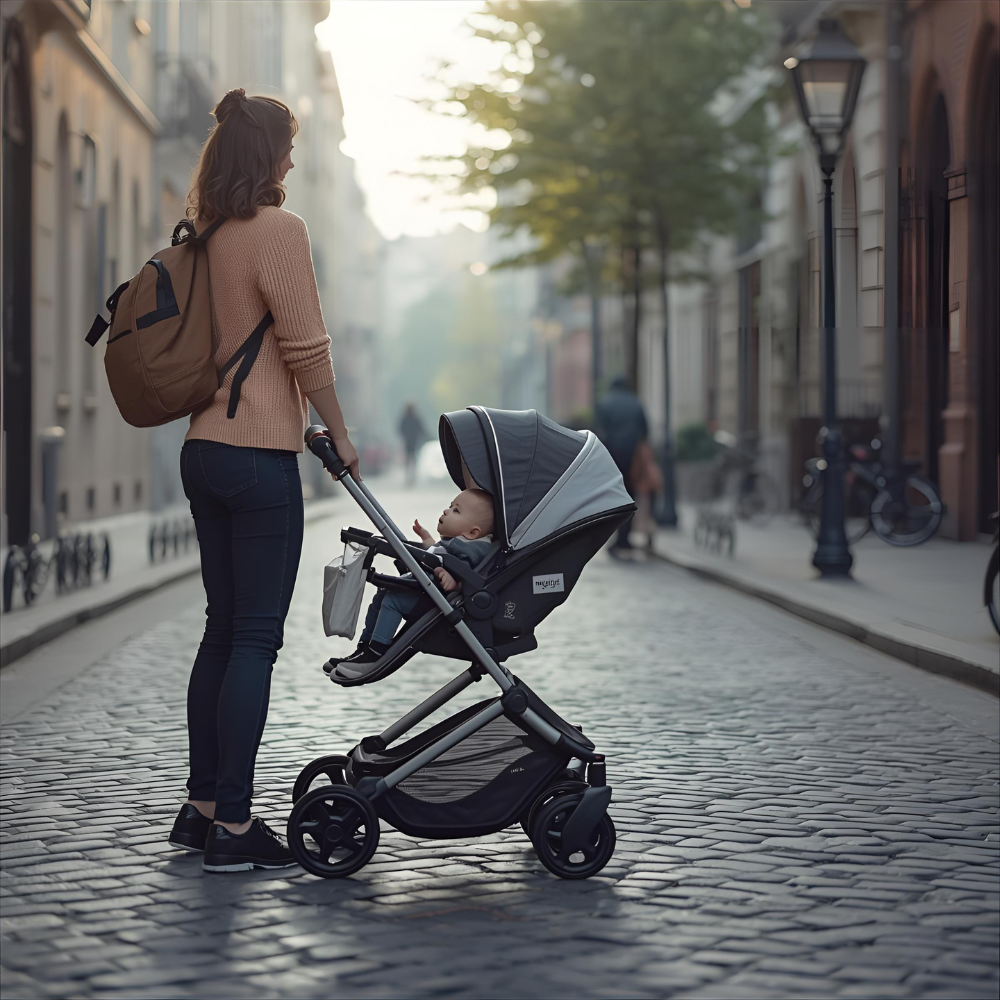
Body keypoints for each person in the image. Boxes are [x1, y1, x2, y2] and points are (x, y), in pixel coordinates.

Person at [166, 89, 360, 873]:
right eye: (285, 146)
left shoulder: (202, 238)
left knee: (220, 630)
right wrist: (341, 433)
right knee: (253, 638)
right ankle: (236, 827)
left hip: (202, 452)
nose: (290, 159)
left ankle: (202, 805)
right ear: (265, 155)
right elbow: (306, 347)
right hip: (255, 461)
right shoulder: (277, 231)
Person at [331, 489, 494, 681]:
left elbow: (465, 573)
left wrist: (455, 581)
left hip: (432, 601)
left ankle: (375, 650)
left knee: (392, 601)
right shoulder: (459, 542)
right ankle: (364, 648)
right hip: (427, 594)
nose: (446, 511)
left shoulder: (472, 549)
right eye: (449, 506)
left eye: (456, 511)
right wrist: (426, 539)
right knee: (382, 595)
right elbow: (439, 554)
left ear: (473, 532)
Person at [595, 376, 649, 554]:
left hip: (613, 458)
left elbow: (600, 432)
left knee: (613, 497)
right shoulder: (635, 403)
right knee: (630, 497)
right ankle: (625, 538)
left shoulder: (605, 403)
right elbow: (645, 431)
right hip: (633, 458)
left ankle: (616, 537)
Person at [398, 402, 427, 486]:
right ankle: (410, 478)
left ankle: (410, 478)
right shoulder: (413, 418)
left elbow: (400, 429)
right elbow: (421, 429)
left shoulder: (406, 418)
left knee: (410, 460)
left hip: (411, 442)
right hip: (412, 442)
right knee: (411, 460)